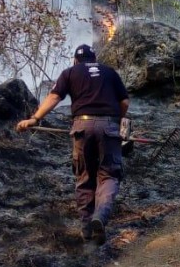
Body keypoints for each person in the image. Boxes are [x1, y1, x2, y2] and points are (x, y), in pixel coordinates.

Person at [16, 44, 129, 245]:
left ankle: (87, 229)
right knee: (109, 174)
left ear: (76, 60)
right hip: (109, 126)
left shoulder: (70, 72)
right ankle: (100, 217)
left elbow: (54, 97)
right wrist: (117, 122)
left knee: (84, 175)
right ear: (94, 59)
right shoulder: (109, 72)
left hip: (81, 126)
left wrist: (34, 119)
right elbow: (125, 103)